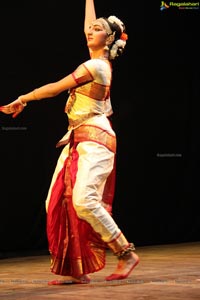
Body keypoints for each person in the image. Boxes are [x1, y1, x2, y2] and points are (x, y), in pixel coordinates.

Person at [0, 0, 139, 284]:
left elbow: (56, 88)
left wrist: (24, 98)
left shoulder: (97, 67)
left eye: (97, 29)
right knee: (58, 202)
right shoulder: (96, 59)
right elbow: (89, 25)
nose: (90, 31)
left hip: (95, 139)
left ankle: (125, 253)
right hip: (77, 138)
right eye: (91, 28)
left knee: (84, 200)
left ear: (108, 38)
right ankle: (76, 269)